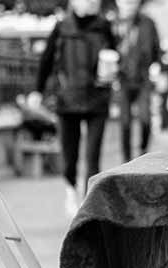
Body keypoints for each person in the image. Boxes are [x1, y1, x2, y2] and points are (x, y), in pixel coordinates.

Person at [38, 0, 116, 212]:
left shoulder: (104, 26)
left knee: (93, 156)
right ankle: (71, 189)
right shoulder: (62, 27)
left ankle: (89, 205)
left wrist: (111, 71)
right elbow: (46, 60)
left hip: (97, 98)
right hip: (67, 99)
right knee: (69, 155)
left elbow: (115, 56)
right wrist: (38, 90)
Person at [112, 0, 162, 160]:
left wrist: (158, 68)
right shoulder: (114, 23)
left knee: (145, 118)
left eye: (133, 3)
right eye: (126, 3)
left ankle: (143, 151)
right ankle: (126, 159)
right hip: (122, 79)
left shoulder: (147, 23)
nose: (130, 6)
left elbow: (156, 48)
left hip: (143, 78)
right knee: (125, 122)